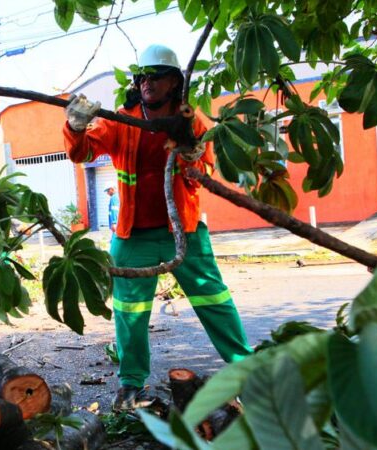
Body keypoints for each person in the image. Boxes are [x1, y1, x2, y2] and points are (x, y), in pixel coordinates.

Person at [63, 44, 253, 411]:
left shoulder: (190, 119)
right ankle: (131, 385)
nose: (148, 82)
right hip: (133, 236)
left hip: (183, 232)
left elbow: (205, 173)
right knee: (129, 313)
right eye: (143, 76)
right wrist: (75, 126)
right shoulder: (122, 118)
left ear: (174, 82)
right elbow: (82, 153)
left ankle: (247, 374)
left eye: (157, 76)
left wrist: (194, 156)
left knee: (215, 301)